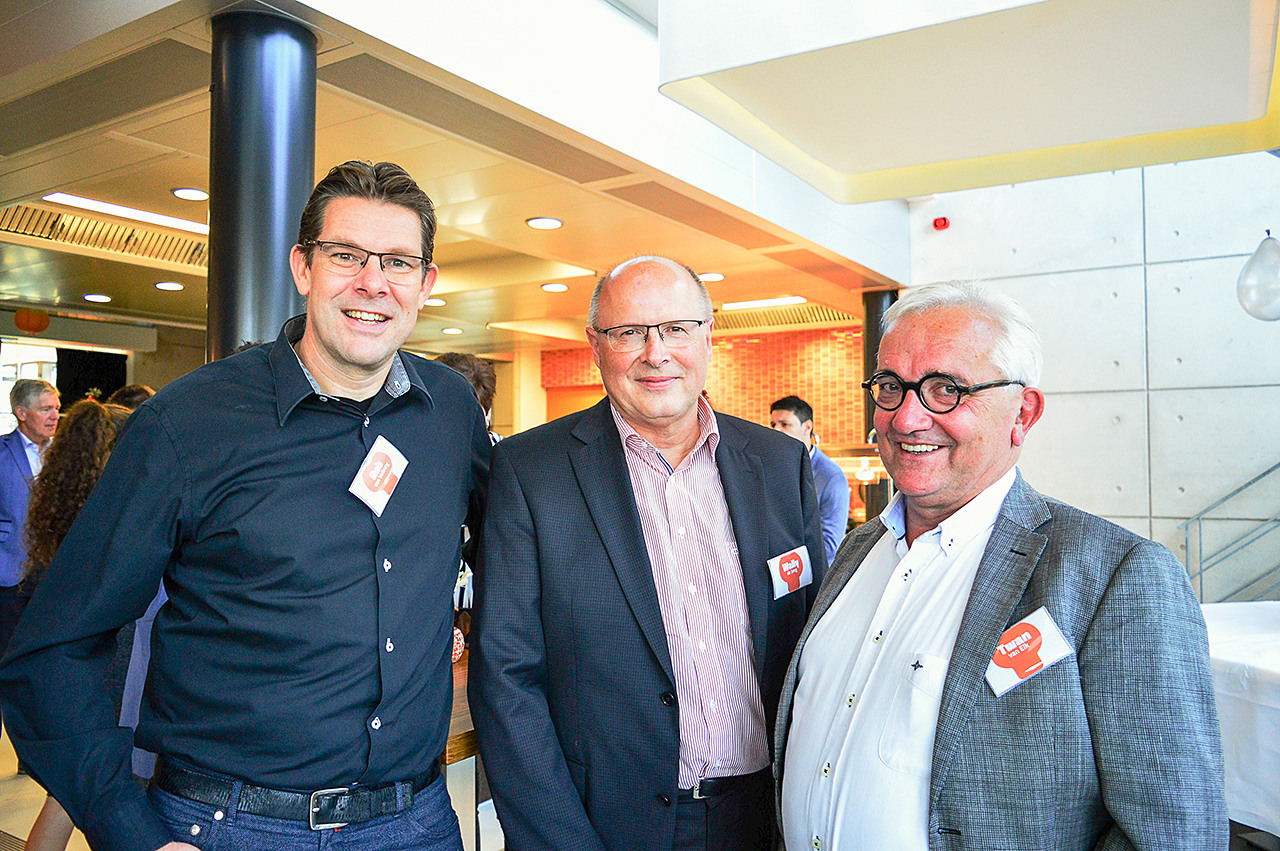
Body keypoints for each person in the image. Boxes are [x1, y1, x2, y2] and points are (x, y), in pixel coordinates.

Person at [0, 160, 491, 851]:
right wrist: (130, 830)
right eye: (346, 255)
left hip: (417, 820)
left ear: (426, 282)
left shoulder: (450, 412)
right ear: (303, 267)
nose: (372, 281)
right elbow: (53, 648)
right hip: (232, 827)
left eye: (398, 262)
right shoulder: (186, 424)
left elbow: (518, 553)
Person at [775, 282, 1227, 850]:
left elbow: (1175, 833)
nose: (907, 418)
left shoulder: (1116, 577)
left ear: (1023, 413)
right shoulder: (856, 552)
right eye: (890, 387)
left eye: (946, 389)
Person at [470, 256, 825, 851]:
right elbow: (506, 679)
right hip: (610, 826)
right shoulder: (532, 471)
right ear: (595, 345)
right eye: (629, 332)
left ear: (708, 336)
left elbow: (815, 643)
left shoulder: (780, 464)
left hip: (770, 817)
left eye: (676, 329)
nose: (655, 353)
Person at [19, 398, 133, 851]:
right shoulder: (115, 517)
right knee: (98, 792)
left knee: (67, 794)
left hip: (73, 668)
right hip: (113, 667)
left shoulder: (65, 509)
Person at [0, 379, 58, 758]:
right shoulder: (1, 452)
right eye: (45, 409)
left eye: (56, 408)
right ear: (22, 413)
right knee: (6, 663)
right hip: (8, 573)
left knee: (41, 666)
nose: (54, 416)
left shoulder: (63, 454)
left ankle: (30, 752)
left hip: (51, 575)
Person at [769, 396, 851, 564]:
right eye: (773, 424)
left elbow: (830, 546)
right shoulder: (771, 467)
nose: (775, 430)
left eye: (784, 424)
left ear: (807, 427)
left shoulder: (830, 477)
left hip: (814, 575)